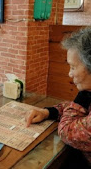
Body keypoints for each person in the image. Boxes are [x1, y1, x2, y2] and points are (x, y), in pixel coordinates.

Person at [26, 27, 91, 168]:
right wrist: (48, 112)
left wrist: (81, 95)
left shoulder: (86, 94)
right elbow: (77, 110)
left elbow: (67, 130)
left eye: (73, 67)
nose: (70, 74)